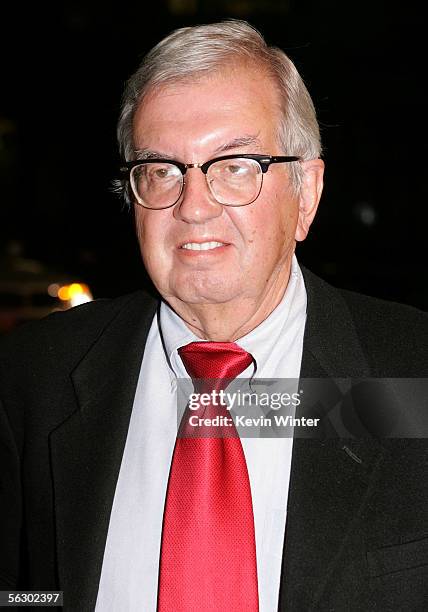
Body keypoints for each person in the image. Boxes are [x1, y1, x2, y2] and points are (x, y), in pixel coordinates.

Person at [1, 20, 427, 612]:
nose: (192, 206)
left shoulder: (412, 375)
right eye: (162, 170)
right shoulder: (32, 378)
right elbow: (22, 590)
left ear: (305, 194)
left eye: (234, 165)